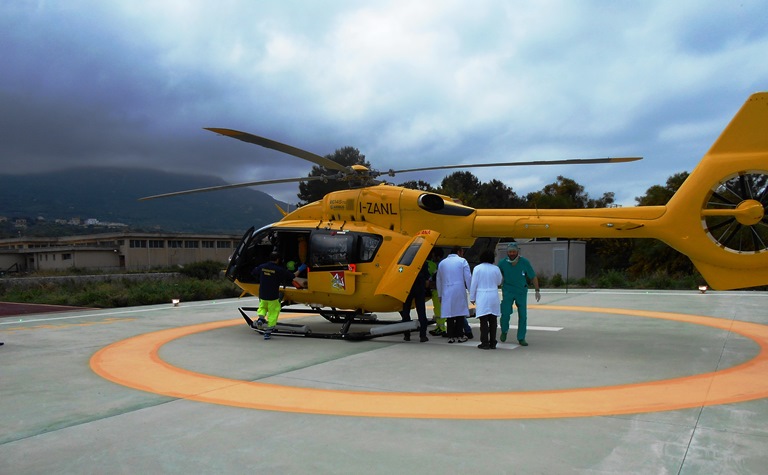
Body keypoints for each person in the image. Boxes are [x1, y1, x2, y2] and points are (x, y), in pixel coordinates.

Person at [498, 242, 540, 346]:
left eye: (513, 251)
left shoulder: (524, 262)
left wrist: (537, 290)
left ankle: (521, 337)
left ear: (517, 252)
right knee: (505, 313)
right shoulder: (502, 263)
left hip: (521, 291)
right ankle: (504, 331)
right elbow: (496, 275)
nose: (512, 253)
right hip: (508, 291)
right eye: (510, 252)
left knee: (523, 315)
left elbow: (533, 276)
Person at [251, 252, 295, 340]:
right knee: (273, 312)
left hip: (262, 293)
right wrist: (301, 269)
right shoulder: (279, 269)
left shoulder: (262, 266)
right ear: (278, 260)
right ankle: (268, 332)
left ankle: (260, 318)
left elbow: (253, 272)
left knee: (262, 307)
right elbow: (292, 276)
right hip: (273, 295)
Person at [436, 246, 471, 344]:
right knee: (460, 314)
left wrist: (439, 294)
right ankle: (460, 335)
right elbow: (468, 277)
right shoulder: (462, 261)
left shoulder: (442, 263)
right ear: (459, 252)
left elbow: (439, 279)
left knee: (449, 314)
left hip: (446, 290)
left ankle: (450, 336)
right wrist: (471, 291)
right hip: (459, 289)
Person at [470, 250, 503, 349]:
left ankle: (484, 342)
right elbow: (499, 282)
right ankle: (493, 342)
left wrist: (472, 297)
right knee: (493, 320)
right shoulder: (496, 268)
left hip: (482, 295)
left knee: (483, 321)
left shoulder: (477, 268)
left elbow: (474, 284)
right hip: (493, 295)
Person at [399, 258, 430, 342]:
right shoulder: (423, 262)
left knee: (405, 312)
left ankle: (407, 335)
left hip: (407, 288)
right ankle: (423, 335)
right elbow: (427, 281)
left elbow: (400, 272)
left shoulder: (404, 261)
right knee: (421, 312)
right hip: (419, 288)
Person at [426, 248, 447, 337]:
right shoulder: (437, 264)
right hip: (437, 290)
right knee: (437, 310)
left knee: (439, 310)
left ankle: (441, 328)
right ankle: (439, 327)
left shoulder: (432, 265)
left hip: (437, 291)